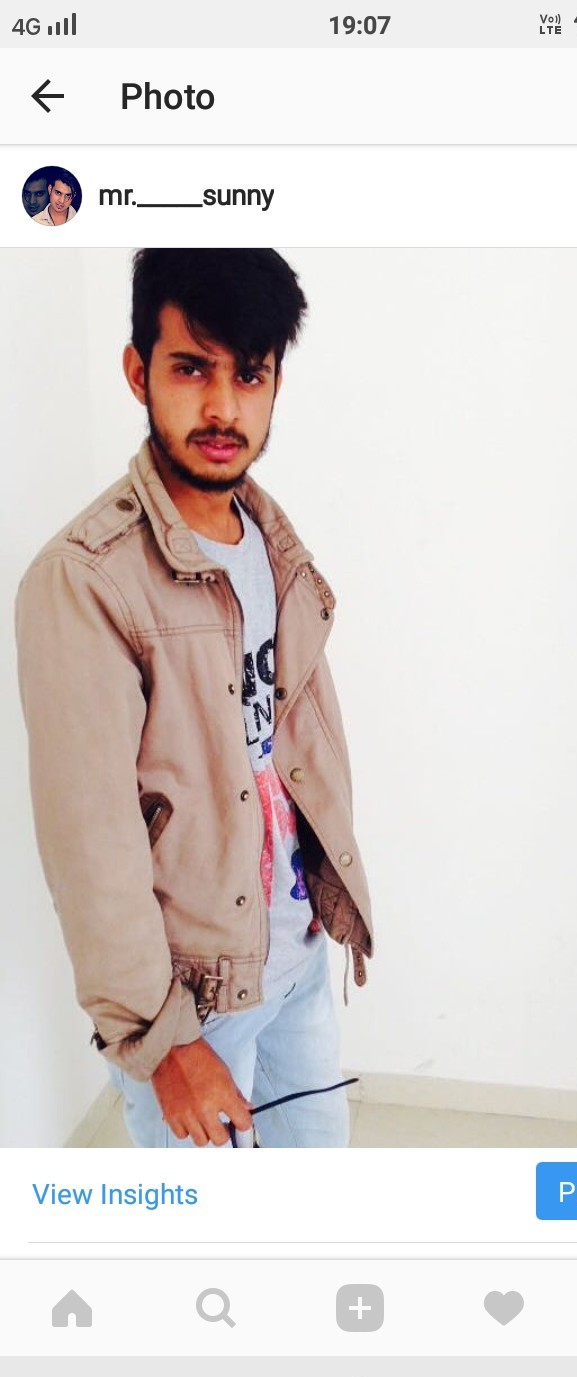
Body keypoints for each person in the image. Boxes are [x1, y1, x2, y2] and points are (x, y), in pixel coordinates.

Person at [15, 248, 373, 1148]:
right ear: (138, 371)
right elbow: (91, 843)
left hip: (295, 958)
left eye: (249, 374)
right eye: (190, 369)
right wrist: (163, 1040)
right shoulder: (85, 579)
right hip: (193, 1006)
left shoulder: (271, 540)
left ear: (276, 382)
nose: (222, 407)